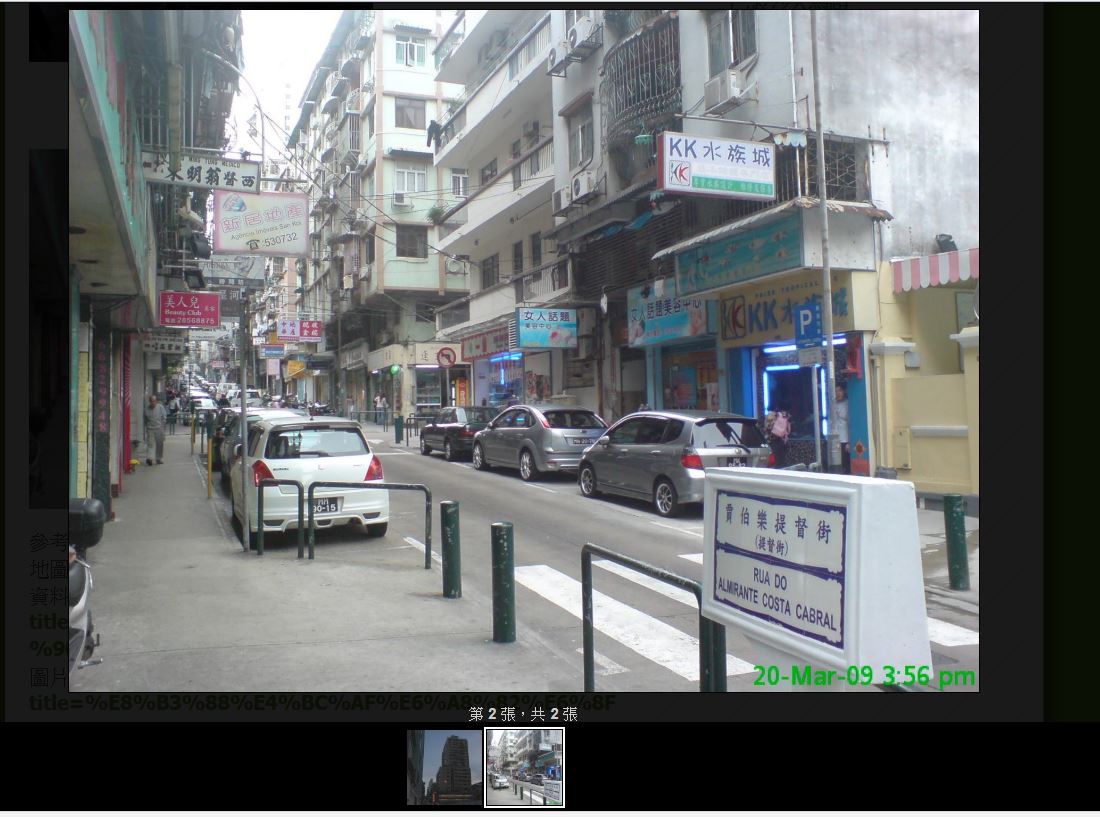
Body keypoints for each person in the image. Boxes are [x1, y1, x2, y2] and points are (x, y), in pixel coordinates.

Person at [144, 394, 168, 465]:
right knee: (150, 444)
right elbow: (145, 419)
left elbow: (164, 416)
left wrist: (163, 426)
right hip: (150, 429)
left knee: (159, 444)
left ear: (156, 401)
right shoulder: (146, 409)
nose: (153, 403)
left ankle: (158, 459)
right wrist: (147, 427)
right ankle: (150, 458)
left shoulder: (160, 407)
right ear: (149, 401)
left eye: (154, 401)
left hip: (159, 428)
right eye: (151, 401)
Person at [834, 382, 850, 474]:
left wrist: (849, 441)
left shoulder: (848, 404)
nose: (838, 393)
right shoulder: (832, 404)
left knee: (845, 464)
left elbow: (851, 423)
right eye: (836, 391)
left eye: (840, 390)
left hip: (845, 440)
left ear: (844, 391)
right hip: (835, 439)